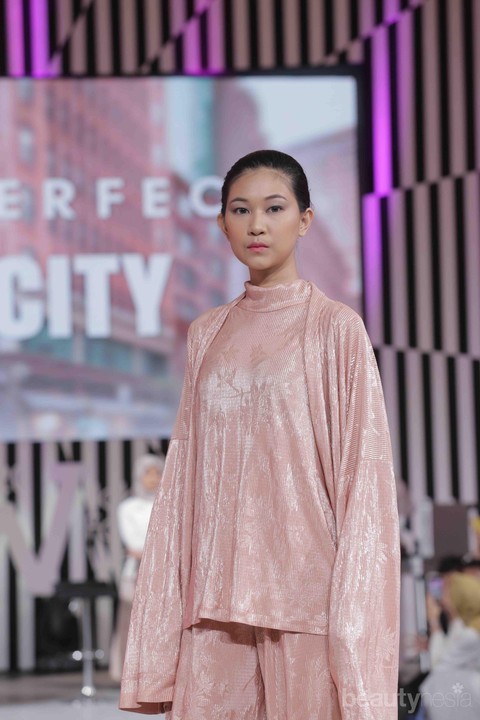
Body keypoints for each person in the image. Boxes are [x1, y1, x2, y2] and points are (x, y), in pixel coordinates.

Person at [119, 149, 401, 719]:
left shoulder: (335, 328)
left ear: (305, 219)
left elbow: (364, 478)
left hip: (307, 602)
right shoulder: (207, 333)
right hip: (213, 602)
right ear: (222, 223)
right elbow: (183, 480)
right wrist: (166, 615)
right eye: (240, 210)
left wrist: (354, 621)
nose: (256, 225)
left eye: (274, 208)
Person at [110, 453, 165, 682]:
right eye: (147, 473)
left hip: (165, 572)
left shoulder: (169, 505)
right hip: (136, 572)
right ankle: (128, 674)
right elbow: (133, 544)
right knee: (132, 622)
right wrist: (160, 550)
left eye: (157, 473)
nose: (152, 478)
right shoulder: (128, 507)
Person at [420, 573, 480, 719]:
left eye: (447, 591)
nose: (442, 596)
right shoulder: (466, 626)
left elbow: (439, 665)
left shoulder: (471, 635)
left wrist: (434, 621)